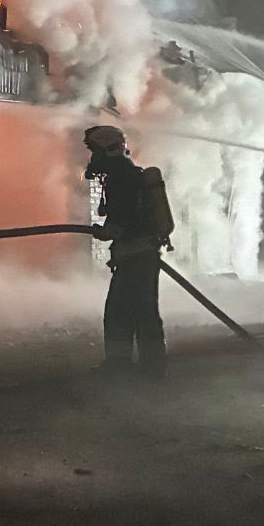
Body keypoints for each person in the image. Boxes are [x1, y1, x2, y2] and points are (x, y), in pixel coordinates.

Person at [84, 124, 173, 378]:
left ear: (108, 150)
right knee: (142, 310)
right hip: (139, 255)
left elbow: (125, 220)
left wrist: (105, 232)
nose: (93, 157)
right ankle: (151, 365)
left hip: (135, 256)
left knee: (120, 311)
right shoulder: (126, 175)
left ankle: (122, 365)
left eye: (95, 151)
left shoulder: (121, 179)